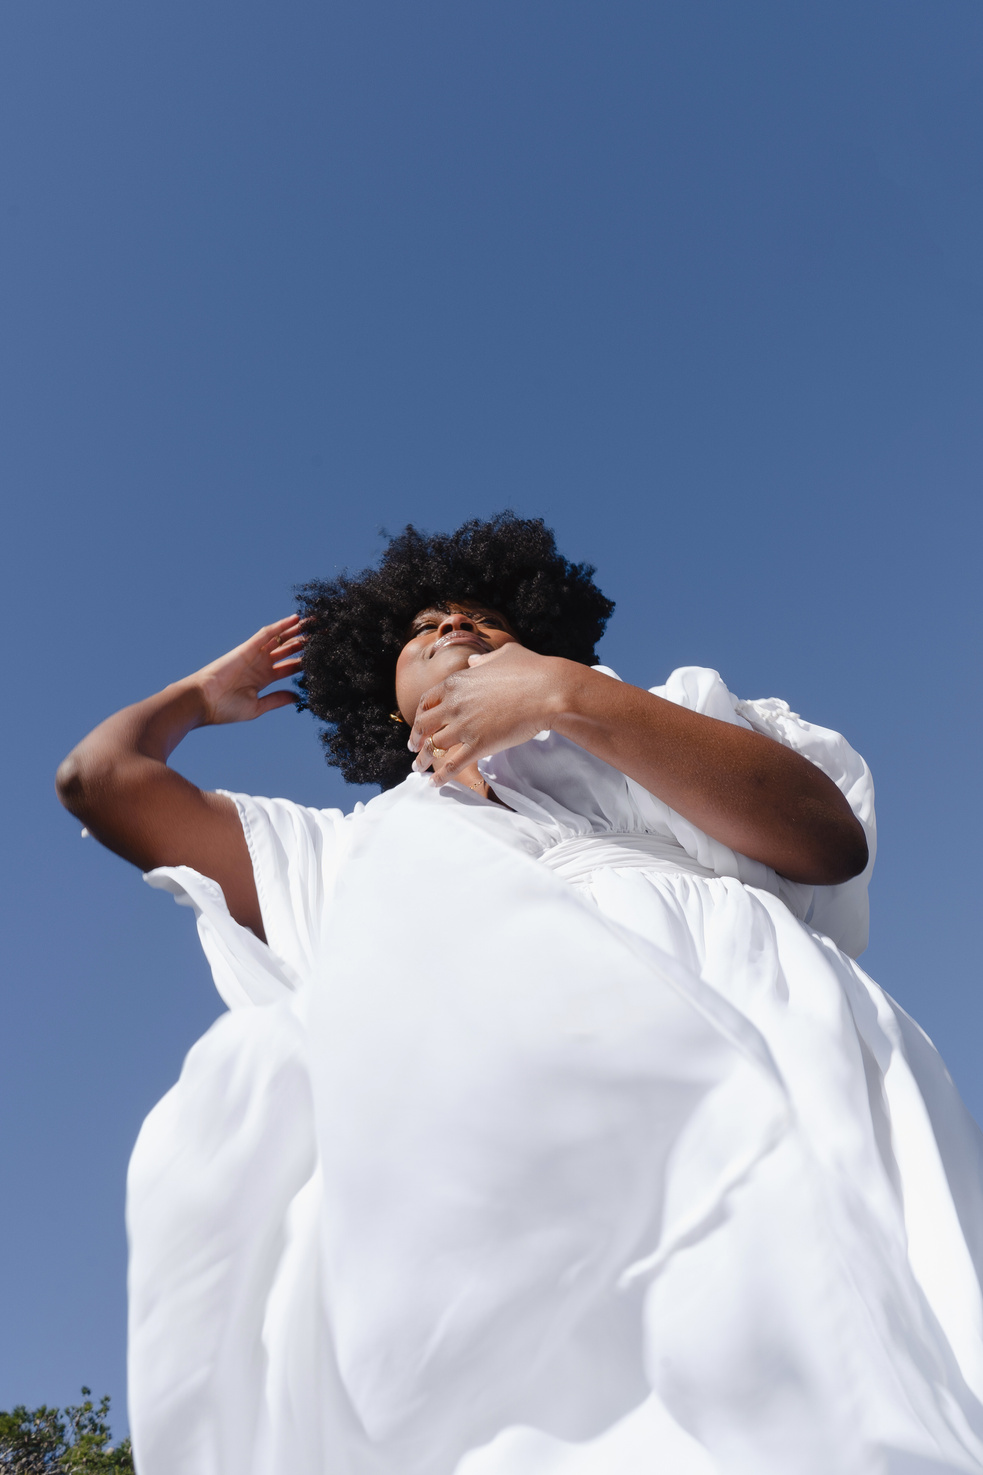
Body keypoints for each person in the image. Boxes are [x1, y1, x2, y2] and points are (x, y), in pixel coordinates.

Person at [56, 513, 983, 1475]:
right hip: (504, 1153)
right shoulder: (344, 849)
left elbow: (824, 839)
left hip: (770, 1045)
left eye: (485, 621)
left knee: (832, 1356)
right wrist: (198, 700)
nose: (455, 626)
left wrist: (566, 696)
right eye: (424, 629)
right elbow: (101, 779)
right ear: (385, 704)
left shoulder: (656, 712)